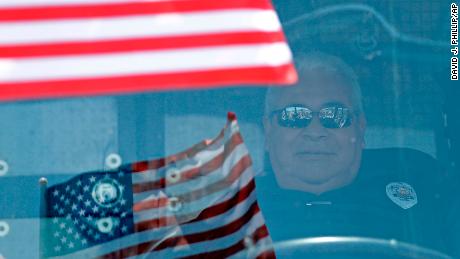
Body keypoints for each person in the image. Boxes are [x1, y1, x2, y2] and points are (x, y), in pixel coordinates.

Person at [256, 52, 449, 254]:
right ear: (268, 130)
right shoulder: (233, 211)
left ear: (360, 127)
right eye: (294, 115)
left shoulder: (420, 177)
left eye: (334, 115)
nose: (315, 131)